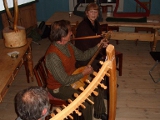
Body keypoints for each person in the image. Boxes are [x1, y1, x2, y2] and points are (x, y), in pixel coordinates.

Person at [45, 19, 108, 120]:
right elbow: (65, 81)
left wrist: (98, 46)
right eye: (70, 31)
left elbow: (82, 56)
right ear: (62, 36)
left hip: (72, 77)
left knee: (97, 85)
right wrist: (83, 73)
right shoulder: (53, 56)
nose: (71, 33)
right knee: (87, 99)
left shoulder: (67, 44)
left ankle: (99, 113)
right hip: (59, 87)